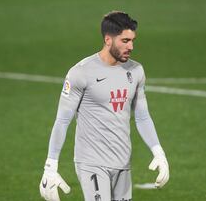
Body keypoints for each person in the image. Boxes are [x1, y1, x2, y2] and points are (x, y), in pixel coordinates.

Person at [39, 11, 169, 201]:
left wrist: (159, 153)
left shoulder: (136, 71)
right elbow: (62, 120)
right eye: (125, 41)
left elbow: (142, 116)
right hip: (91, 162)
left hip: (123, 162)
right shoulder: (81, 73)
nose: (131, 46)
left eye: (132, 40)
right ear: (108, 40)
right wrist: (50, 166)